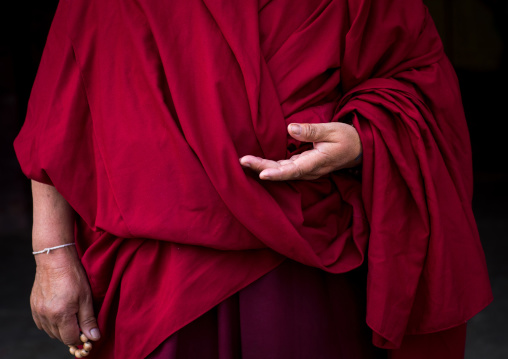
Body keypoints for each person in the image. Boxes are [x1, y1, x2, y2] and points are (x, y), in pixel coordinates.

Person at [15, 0, 492, 358]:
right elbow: (61, 108)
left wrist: (364, 141)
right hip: (160, 275)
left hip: (303, 266)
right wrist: (52, 256)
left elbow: (417, 81)